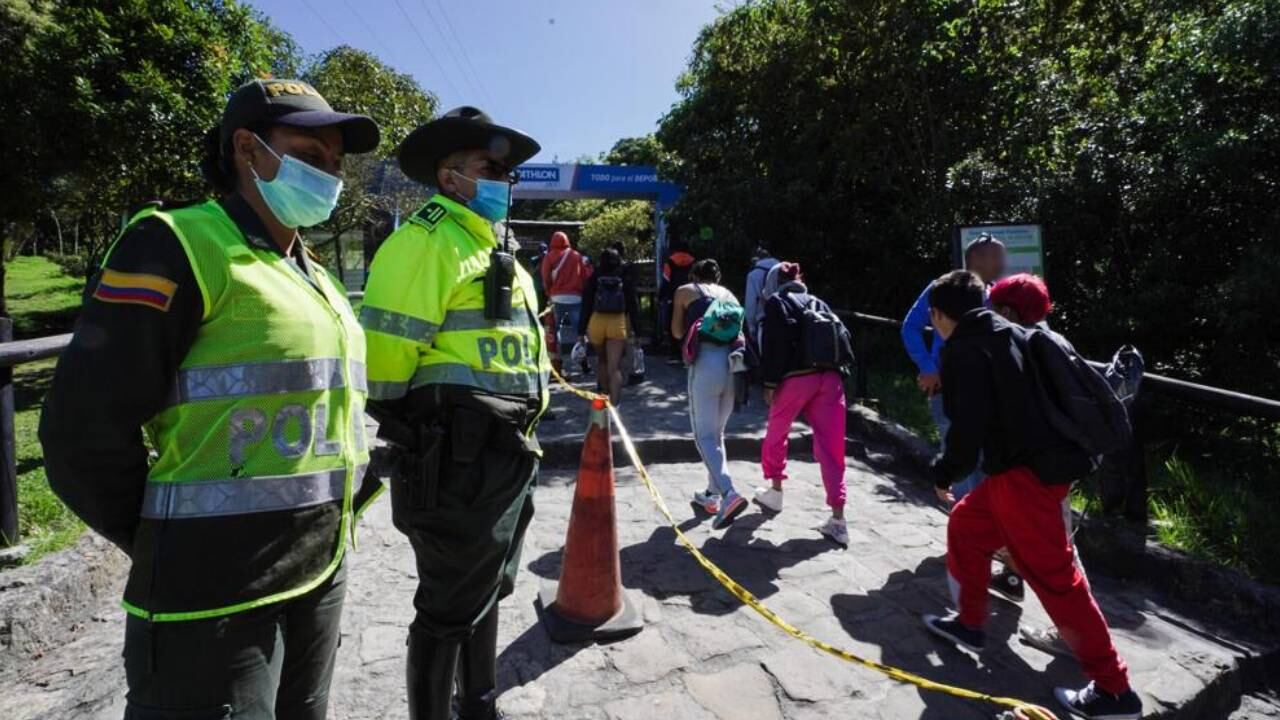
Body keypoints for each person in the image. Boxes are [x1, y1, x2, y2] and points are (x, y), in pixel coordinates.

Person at [39, 79, 381, 719]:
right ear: (247, 149)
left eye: (336, 162)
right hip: (211, 590)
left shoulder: (318, 277)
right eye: (310, 152)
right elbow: (80, 431)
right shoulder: (176, 243)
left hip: (318, 568)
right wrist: (160, 539)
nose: (330, 174)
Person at [361, 106, 548, 720]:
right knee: (447, 607)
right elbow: (386, 361)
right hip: (458, 454)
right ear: (449, 178)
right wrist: (418, 430)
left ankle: (480, 704)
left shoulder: (497, 249)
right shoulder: (428, 241)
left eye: (507, 172)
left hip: (508, 451)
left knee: (490, 588)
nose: (504, 180)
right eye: (490, 167)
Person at [920, 270, 1142, 720]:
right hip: (1032, 470)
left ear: (941, 315)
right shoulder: (1013, 332)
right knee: (966, 525)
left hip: (1027, 478)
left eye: (933, 318)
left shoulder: (963, 348)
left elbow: (967, 430)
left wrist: (943, 473)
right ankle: (969, 623)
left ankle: (1114, 692)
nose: (934, 326)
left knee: (1057, 580)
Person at [900, 233, 1007, 501]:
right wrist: (928, 367)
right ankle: (966, 523)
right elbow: (910, 327)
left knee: (987, 459)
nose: (1003, 262)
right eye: (996, 255)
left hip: (988, 387)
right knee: (959, 455)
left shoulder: (997, 293)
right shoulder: (943, 288)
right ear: (975, 258)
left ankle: (985, 528)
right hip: (947, 384)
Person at [754, 263, 850, 546]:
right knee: (833, 448)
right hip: (830, 379)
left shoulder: (776, 302)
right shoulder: (819, 301)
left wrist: (770, 383)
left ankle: (775, 491)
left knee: (777, 433)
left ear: (775, 282)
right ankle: (838, 518)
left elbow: (775, 343)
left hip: (795, 379)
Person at [671, 259, 747, 529]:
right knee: (717, 434)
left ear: (694, 275)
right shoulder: (730, 295)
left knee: (703, 436)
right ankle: (712, 495)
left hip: (705, 364)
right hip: (733, 366)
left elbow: (677, 331)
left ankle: (729, 493)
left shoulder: (685, 290)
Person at [578, 248, 640, 405]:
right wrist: (637, 332)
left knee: (602, 361)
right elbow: (633, 305)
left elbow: (586, 304)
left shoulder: (595, 276)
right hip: (617, 322)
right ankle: (615, 405)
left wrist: (581, 331)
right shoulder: (624, 277)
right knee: (615, 367)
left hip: (596, 321)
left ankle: (603, 399)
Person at [540, 231, 591, 375]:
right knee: (579, 332)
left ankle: (557, 364)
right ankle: (583, 362)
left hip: (556, 298)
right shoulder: (576, 256)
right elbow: (585, 275)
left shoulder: (549, 257)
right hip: (576, 298)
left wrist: (549, 293)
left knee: (554, 331)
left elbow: (545, 279)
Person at [659, 238, 696, 361]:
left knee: (672, 323)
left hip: (673, 296)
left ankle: (674, 353)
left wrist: (661, 295)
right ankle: (687, 351)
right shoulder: (693, 261)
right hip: (690, 296)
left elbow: (666, 280)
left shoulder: (670, 261)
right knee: (689, 322)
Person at [743, 244, 779, 346]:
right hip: (787, 319)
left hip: (764, 321)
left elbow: (751, 303)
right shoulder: (782, 270)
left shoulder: (754, 274)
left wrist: (751, 327)